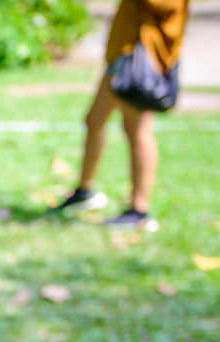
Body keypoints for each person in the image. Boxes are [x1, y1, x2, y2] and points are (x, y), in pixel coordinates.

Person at [52, 0, 188, 231]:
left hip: (141, 57)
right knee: (95, 120)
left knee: (137, 129)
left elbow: (167, 6)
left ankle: (139, 210)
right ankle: (84, 191)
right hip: (124, 52)